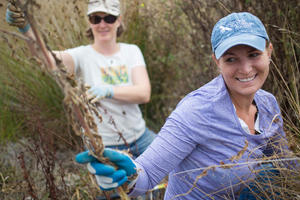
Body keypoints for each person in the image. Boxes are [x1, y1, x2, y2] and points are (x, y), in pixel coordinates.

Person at [75, 12, 297, 199]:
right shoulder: (197, 111)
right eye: (231, 59)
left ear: (269, 51)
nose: (246, 69)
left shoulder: (268, 104)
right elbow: (148, 175)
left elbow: (284, 163)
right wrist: (127, 174)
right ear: (216, 62)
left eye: (253, 54)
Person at [6, 0, 156, 158]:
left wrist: (108, 91)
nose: (102, 24)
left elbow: (144, 93)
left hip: (141, 137)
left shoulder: (131, 51)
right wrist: (26, 29)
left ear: (118, 20)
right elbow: (46, 58)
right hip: (104, 144)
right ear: (90, 22)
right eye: (96, 19)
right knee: (122, 181)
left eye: (109, 18)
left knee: (173, 168)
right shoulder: (81, 55)